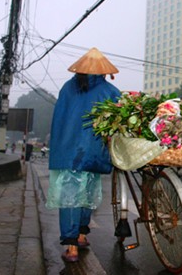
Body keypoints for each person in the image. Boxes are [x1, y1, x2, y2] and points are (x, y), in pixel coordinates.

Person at [46, 47, 121, 263]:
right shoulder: (110, 91)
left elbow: (60, 119)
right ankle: (80, 236)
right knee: (88, 193)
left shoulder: (67, 89)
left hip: (69, 151)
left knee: (70, 197)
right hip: (94, 153)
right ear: (103, 71)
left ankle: (71, 248)